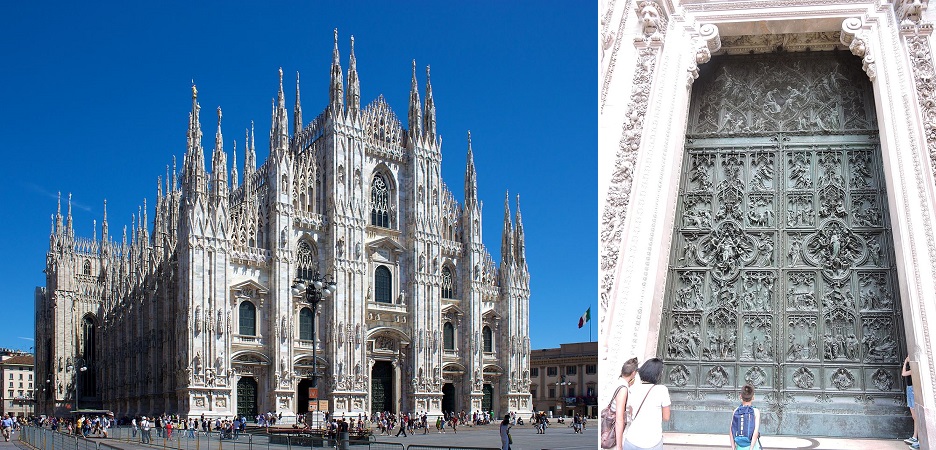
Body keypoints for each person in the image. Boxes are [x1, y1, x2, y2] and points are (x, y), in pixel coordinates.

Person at [621, 358, 670, 450]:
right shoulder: (662, 390)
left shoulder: (632, 389)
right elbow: (666, 417)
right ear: (658, 374)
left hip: (632, 439)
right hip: (652, 441)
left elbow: (630, 413)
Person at [613, 357, 639, 450]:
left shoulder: (617, 383)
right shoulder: (623, 389)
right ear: (633, 373)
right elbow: (619, 419)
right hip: (619, 434)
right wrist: (619, 446)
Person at [728, 385, 761, 450]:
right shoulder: (756, 411)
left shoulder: (736, 410)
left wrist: (733, 447)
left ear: (740, 396)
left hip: (740, 446)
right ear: (753, 397)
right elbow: (755, 432)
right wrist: (751, 448)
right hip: (752, 445)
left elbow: (731, 430)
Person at [903, 356, 920, 449]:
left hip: (913, 390)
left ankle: (919, 440)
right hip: (909, 389)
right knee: (914, 416)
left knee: (918, 416)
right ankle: (915, 437)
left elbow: (903, 373)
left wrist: (905, 362)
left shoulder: (914, 369)